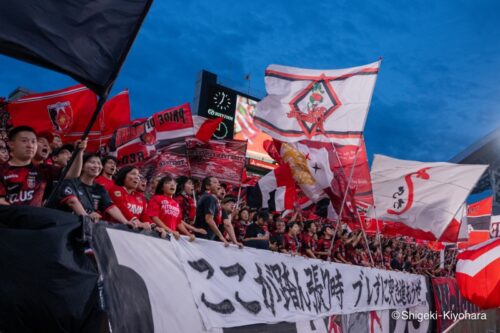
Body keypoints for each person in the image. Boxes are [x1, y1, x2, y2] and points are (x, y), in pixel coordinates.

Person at [0, 126, 85, 207]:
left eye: (33, 141)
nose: (30, 145)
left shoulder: (42, 169)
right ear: (11, 144)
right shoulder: (2, 170)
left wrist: (79, 152)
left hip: (36, 220)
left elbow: (71, 174)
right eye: (24, 141)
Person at [53, 154, 135, 226]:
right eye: (92, 162)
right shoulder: (70, 182)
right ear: (82, 166)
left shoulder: (99, 188)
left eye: (99, 163)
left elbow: (110, 207)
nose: (96, 166)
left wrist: (125, 222)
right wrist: (87, 217)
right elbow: (72, 202)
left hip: (84, 229)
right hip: (63, 226)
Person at [147, 175, 195, 241]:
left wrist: (188, 234)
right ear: (162, 187)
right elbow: (154, 217)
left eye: (174, 184)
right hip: (157, 234)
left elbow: (178, 223)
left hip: (171, 237)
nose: (172, 185)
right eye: (168, 183)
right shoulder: (156, 198)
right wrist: (169, 230)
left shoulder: (176, 204)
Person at [193, 176, 228, 245]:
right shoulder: (209, 198)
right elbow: (209, 219)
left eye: (218, 183)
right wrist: (220, 236)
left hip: (204, 236)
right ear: (207, 186)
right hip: (204, 236)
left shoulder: (207, 197)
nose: (218, 184)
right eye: (215, 182)